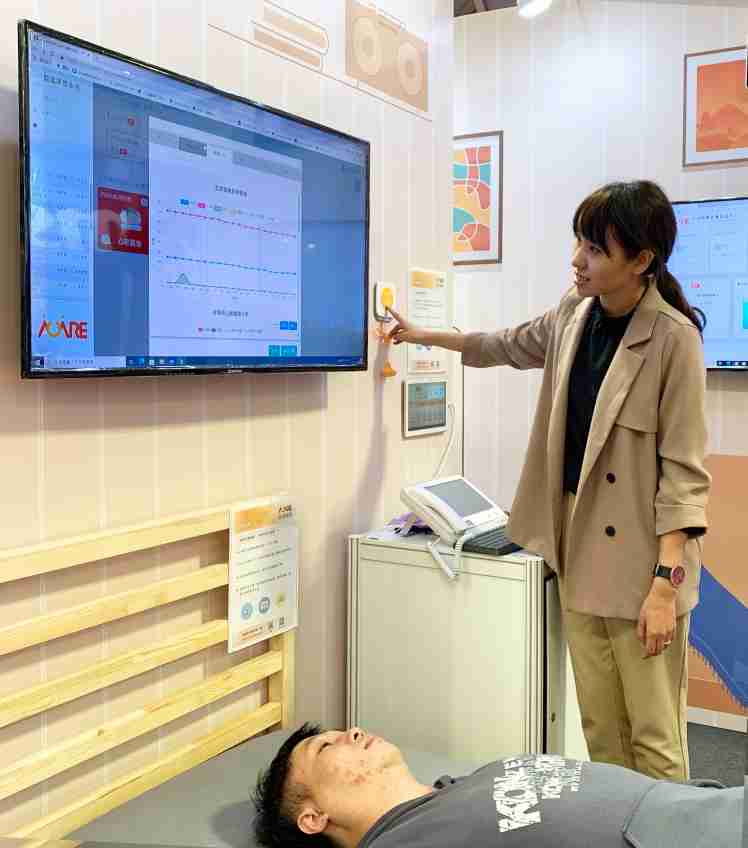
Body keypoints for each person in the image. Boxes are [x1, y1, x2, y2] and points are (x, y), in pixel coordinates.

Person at [387, 181, 710, 782]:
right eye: (579, 242)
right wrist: (424, 335)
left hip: (645, 568)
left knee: (655, 737)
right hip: (578, 555)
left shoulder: (674, 340)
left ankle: (669, 826)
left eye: (595, 248)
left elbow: (685, 477)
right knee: (601, 731)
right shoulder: (572, 313)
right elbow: (504, 345)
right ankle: (612, 825)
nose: (578, 260)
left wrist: (664, 589)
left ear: (641, 260)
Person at [251, 723, 740, 847]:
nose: (353, 731)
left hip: (704, 808)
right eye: (326, 746)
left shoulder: (454, 787)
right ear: (313, 817)